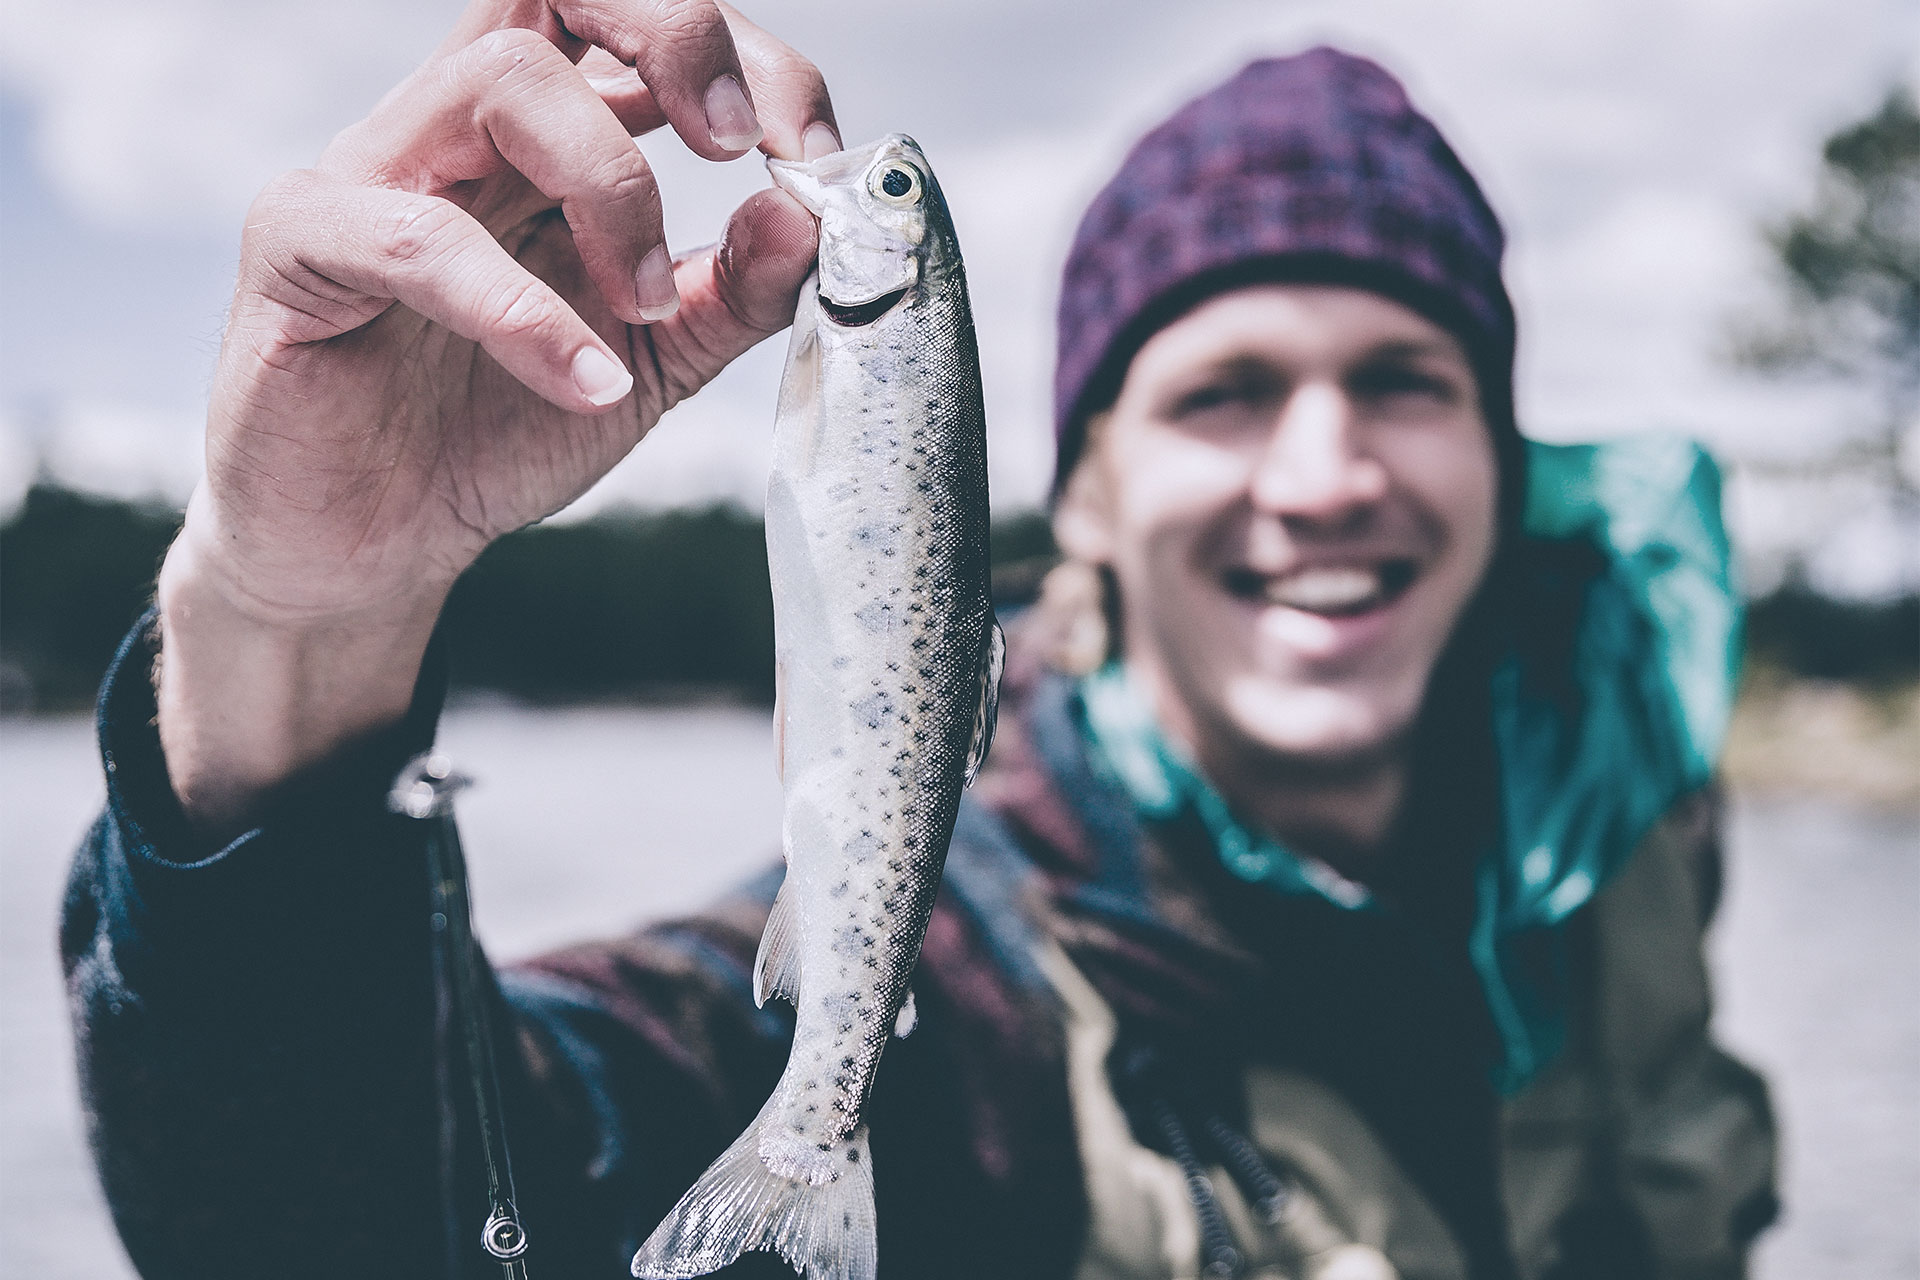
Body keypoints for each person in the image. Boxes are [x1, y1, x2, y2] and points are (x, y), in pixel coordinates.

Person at [61, 3, 1778, 1277]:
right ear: (1087, 492)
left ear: (1503, 462)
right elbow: (333, 1224)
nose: (1323, 478)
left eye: (1404, 382)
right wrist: (296, 625)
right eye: (1226, 394)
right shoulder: (968, 1007)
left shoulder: (1619, 852)